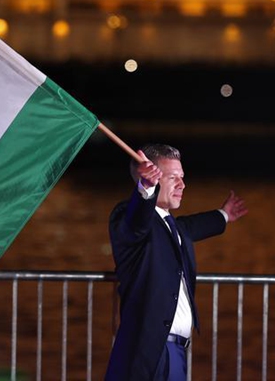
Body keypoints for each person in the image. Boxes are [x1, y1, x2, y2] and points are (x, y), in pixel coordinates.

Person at [105, 144, 248, 381]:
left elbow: (193, 226)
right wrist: (146, 188)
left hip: (176, 352)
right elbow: (136, 222)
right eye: (173, 178)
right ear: (151, 178)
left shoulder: (173, 227)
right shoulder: (128, 218)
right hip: (147, 351)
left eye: (182, 177)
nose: (182, 185)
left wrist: (224, 214)